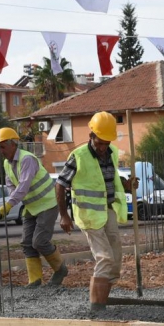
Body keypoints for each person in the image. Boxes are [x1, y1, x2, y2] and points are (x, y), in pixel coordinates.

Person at [55, 111, 137, 311]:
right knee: (104, 257)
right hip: (88, 215)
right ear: (91, 136)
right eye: (99, 142)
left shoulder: (112, 153)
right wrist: (64, 215)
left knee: (116, 259)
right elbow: (60, 184)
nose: (102, 147)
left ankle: (103, 294)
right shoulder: (78, 156)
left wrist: (127, 184)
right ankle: (97, 306)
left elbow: (109, 180)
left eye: (106, 143)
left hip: (107, 210)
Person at [0, 127, 67, 288]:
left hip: (47, 203)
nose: (1, 151)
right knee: (27, 243)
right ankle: (35, 279)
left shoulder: (27, 159)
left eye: (3, 146)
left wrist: (9, 204)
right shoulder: (7, 163)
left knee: (40, 241)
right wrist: (13, 198)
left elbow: (24, 185)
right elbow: (11, 185)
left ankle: (60, 270)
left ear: (13, 144)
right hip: (31, 206)